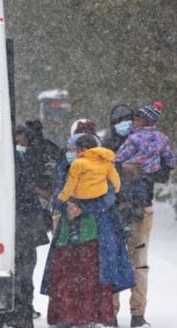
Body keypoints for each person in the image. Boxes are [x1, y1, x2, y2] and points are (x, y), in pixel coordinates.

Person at [41, 134, 135, 327]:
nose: (69, 153)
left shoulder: (103, 167)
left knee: (90, 275)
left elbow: (109, 198)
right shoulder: (67, 168)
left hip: (96, 232)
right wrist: (67, 206)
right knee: (67, 274)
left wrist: (81, 208)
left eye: (71, 149)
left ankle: (91, 317)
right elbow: (58, 195)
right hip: (68, 234)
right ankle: (67, 317)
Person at [114, 101, 176, 328]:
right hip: (141, 205)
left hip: (120, 208)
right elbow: (169, 164)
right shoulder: (161, 139)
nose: (131, 123)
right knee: (139, 262)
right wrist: (153, 169)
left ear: (143, 119)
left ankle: (113, 313)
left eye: (136, 118)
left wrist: (125, 168)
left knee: (118, 259)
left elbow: (116, 160)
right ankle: (136, 315)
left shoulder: (131, 140)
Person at [2, 125, 48, 328]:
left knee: (21, 267)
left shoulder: (18, 157)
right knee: (23, 268)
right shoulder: (18, 159)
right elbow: (25, 187)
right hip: (22, 220)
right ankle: (20, 311)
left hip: (19, 220)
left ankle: (17, 310)